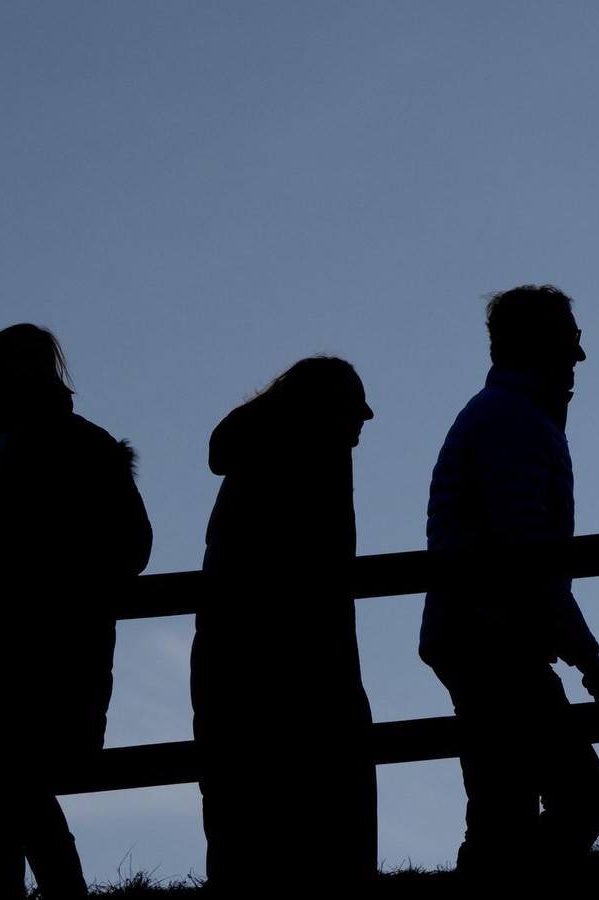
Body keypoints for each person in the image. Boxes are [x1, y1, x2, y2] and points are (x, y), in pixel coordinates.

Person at [0, 323, 152, 899]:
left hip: (46, 647)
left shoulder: (81, 444)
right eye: (12, 361)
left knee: (7, 780)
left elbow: (131, 545)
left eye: (32, 360)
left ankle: (45, 896)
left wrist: (58, 589)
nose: (22, 371)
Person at [419, 285, 599, 880]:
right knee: (577, 799)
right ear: (539, 343)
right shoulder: (513, 421)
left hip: (480, 631)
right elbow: (525, 546)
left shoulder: (506, 415)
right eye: (570, 340)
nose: (579, 357)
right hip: (491, 634)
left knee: (499, 809)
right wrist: (582, 648)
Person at [193, 356, 377, 892]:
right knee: (322, 804)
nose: (366, 415)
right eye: (355, 401)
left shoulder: (260, 454)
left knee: (242, 811)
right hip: (308, 661)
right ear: (327, 407)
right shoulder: (317, 457)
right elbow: (320, 574)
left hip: (233, 659)